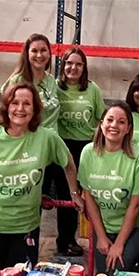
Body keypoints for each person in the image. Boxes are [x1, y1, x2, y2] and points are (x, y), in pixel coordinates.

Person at [0, 82, 83, 268]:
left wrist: (74, 193)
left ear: (35, 108)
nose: (20, 109)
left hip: (25, 229)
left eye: (27, 103)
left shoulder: (47, 138)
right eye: (14, 103)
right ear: (6, 107)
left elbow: (69, 164)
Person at [78, 101, 139, 276]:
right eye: (110, 120)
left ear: (128, 128)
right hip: (106, 224)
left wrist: (120, 244)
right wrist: (101, 236)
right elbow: (89, 197)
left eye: (121, 122)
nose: (114, 125)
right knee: (104, 273)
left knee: (118, 269)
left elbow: (136, 206)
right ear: (102, 123)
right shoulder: (88, 153)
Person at [54, 47, 106, 255]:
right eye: (69, 63)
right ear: (63, 65)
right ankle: (65, 240)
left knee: (88, 195)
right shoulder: (54, 87)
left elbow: (102, 118)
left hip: (86, 147)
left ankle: (98, 238)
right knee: (66, 195)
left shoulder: (92, 90)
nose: (73, 68)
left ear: (84, 68)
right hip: (60, 146)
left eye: (78, 64)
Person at [2, 33, 59, 132]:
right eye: (34, 51)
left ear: (49, 54)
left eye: (43, 50)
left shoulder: (52, 81)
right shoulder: (17, 81)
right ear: (27, 54)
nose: (39, 55)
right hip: (29, 138)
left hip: (51, 139)